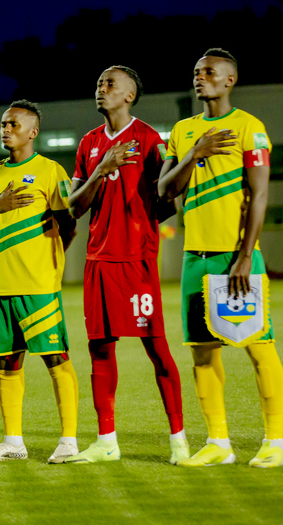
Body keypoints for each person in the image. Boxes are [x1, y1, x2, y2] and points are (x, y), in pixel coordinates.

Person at [158, 48, 283, 468]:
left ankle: (274, 443)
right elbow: (164, 190)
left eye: (209, 72)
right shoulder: (182, 131)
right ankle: (219, 443)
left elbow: (261, 193)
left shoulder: (250, 128)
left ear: (230, 80)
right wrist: (195, 152)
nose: (200, 78)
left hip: (237, 258)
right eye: (196, 72)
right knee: (201, 351)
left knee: (258, 345)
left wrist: (246, 255)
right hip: (195, 257)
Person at [66, 66, 188, 464]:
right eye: (99, 83)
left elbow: (169, 200)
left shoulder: (150, 140)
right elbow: (75, 206)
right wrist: (103, 169)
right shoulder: (88, 143)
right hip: (98, 261)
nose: (101, 89)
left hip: (136, 262)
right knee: (100, 349)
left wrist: (140, 227)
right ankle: (106, 441)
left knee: (157, 348)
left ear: (130, 95)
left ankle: (178, 440)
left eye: (110, 84)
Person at [0, 101, 80, 463]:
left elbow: (69, 223)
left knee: (55, 358)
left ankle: (69, 441)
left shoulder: (50, 171)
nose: (5, 129)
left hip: (38, 286)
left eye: (14, 124)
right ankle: (13, 442)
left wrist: (47, 260)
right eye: (3, 124)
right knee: (7, 363)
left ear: (33, 132)